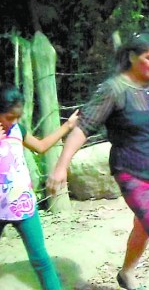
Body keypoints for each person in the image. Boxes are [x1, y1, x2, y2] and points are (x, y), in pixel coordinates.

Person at [47, 29, 149, 290]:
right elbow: (83, 128)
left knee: (143, 226)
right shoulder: (113, 90)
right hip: (132, 174)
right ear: (131, 57)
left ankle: (126, 274)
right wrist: (60, 167)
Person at [0, 84, 79, 290]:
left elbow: (41, 146)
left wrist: (68, 126)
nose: (14, 122)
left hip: (23, 205)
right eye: (9, 117)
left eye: (18, 116)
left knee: (40, 259)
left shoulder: (18, 130)